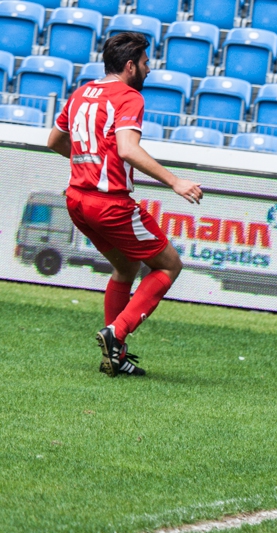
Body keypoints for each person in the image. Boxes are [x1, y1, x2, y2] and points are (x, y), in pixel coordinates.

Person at [46, 32, 203, 377]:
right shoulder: (129, 97)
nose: (149, 69)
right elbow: (128, 149)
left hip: (76, 200)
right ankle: (116, 333)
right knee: (169, 266)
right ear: (130, 66)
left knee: (127, 268)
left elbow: (54, 140)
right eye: (146, 62)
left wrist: (87, 164)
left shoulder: (81, 92)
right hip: (109, 204)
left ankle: (115, 356)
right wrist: (176, 181)